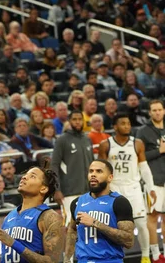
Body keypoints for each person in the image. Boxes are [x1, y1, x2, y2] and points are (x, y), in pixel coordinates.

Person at [98, 113, 156, 263]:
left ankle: (145, 256)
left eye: (129, 123)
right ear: (115, 126)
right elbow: (101, 170)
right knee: (114, 227)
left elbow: (144, 168)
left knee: (141, 224)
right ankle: (115, 257)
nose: (127, 126)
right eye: (123, 123)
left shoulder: (137, 143)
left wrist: (151, 189)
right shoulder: (106, 145)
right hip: (115, 189)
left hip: (134, 188)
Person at [0, 165, 63, 263]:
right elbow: (14, 259)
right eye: (25, 175)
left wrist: (13, 243)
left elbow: (51, 261)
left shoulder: (49, 217)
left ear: (43, 189)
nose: (24, 177)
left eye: (32, 176)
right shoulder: (9, 217)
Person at [64, 160, 135, 263]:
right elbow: (72, 230)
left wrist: (95, 223)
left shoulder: (119, 202)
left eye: (99, 171)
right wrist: (67, 259)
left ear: (110, 177)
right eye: (91, 171)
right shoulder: (77, 203)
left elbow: (129, 241)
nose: (93, 174)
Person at [51, 111, 93, 226]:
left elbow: (93, 165)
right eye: (74, 119)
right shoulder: (62, 140)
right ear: (69, 121)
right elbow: (54, 165)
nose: (78, 122)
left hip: (88, 191)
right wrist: (56, 189)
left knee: (88, 226)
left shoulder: (87, 139)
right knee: (70, 226)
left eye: (80, 119)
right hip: (69, 192)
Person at [136, 100, 165, 263]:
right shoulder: (143, 131)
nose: (157, 112)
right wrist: (159, 151)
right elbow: (139, 156)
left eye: (160, 109)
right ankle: (154, 255)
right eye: (154, 110)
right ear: (150, 113)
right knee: (152, 217)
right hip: (153, 181)